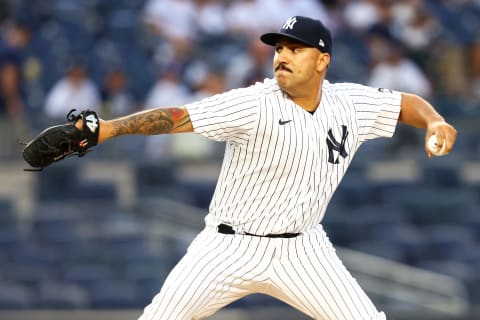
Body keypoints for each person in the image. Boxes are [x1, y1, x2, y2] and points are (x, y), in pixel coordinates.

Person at [77, 16, 457, 320]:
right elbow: (178, 117)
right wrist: (108, 129)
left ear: (323, 61)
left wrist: (435, 121)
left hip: (303, 248)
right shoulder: (254, 103)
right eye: (279, 48)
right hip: (228, 246)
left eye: (295, 48)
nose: (282, 56)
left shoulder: (349, 104)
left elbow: (406, 103)